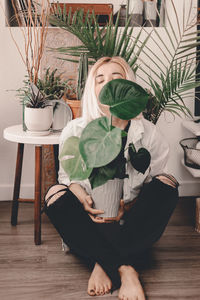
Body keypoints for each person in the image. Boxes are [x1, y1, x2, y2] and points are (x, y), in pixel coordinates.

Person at [43, 56, 179, 300]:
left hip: (131, 221)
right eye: (100, 79)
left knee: (168, 184)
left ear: (130, 88)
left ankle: (101, 262)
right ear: (92, 90)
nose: (108, 85)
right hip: (91, 220)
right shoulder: (75, 130)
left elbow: (154, 181)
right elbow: (67, 177)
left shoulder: (148, 133)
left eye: (117, 79)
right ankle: (125, 266)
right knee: (54, 195)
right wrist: (81, 195)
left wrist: (129, 205)